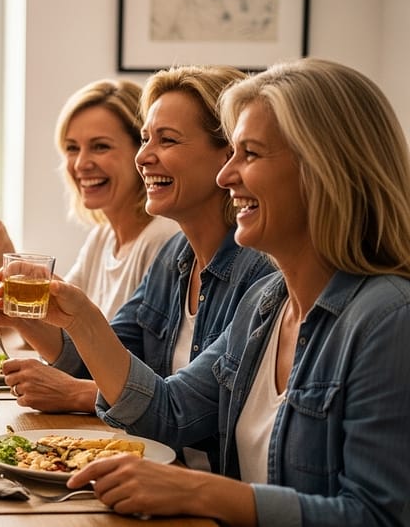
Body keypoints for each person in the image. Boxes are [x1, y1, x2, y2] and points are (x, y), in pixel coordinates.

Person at [52, 58, 410, 526]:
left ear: (321, 170)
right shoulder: (267, 303)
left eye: (251, 155)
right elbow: (170, 413)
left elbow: (377, 517)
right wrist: (78, 317)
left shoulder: (387, 319)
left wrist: (200, 492)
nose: (227, 176)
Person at [0, 66, 275, 472]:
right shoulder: (176, 255)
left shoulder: (260, 274)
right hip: (156, 474)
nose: (143, 157)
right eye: (144, 140)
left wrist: (81, 317)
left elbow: (170, 414)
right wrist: (29, 318)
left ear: (225, 154)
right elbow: (98, 363)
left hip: (194, 492)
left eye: (167, 140)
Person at [0, 79, 178, 413]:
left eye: (100, 147)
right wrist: (14, 313)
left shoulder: (162, 239)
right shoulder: (102, 237)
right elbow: (69, 343)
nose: (81, 164)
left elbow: (153, 384)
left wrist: (77, 393)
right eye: (72, 149)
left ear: (141, 152)